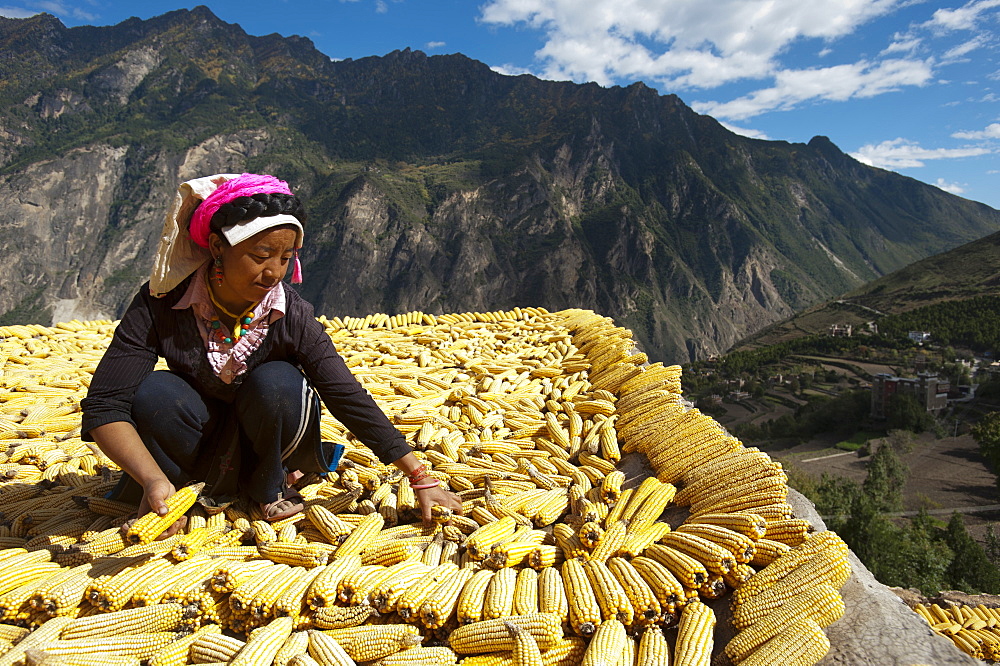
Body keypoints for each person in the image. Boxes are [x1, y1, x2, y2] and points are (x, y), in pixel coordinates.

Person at [81, 173, 462, 535]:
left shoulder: (290, 313)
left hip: (269, 439)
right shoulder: (161, 303)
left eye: (286, 256)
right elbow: (105, 404)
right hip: (197, 438)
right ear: (217, 247)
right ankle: (176, 489)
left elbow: (345, 393)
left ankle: (269, 485)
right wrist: (150, 478)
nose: (274, 272)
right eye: (262, 254)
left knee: (278, 381)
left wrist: (418, 475)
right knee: (154, 392)